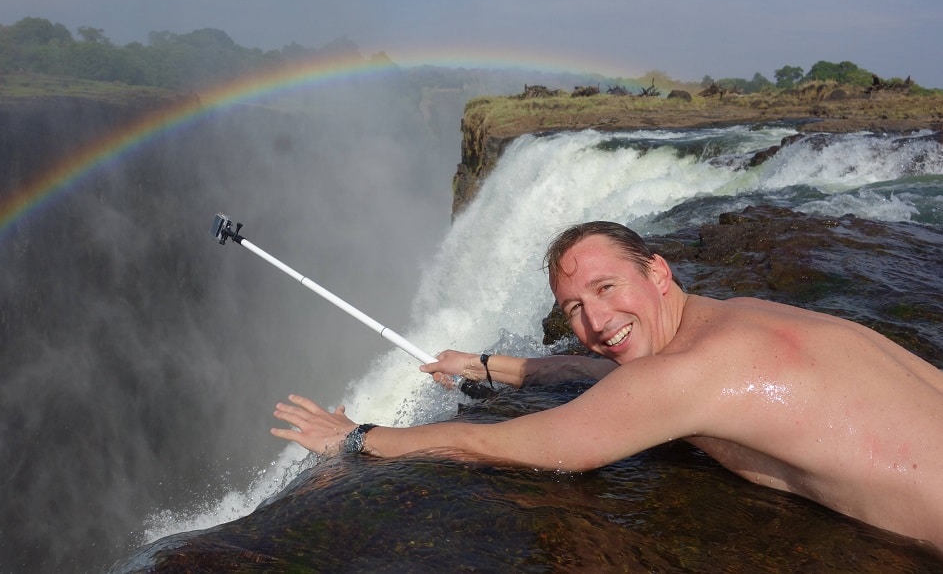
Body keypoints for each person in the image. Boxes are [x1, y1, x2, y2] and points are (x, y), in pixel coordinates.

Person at [272, 221, 943, 553]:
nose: (594, 323)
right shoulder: (734, 317)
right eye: (573, 309)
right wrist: (489, 364)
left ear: (656, 271)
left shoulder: (682, 377)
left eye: (604, 288)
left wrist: (357, 440)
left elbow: (517, 443)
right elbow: (619, 372)